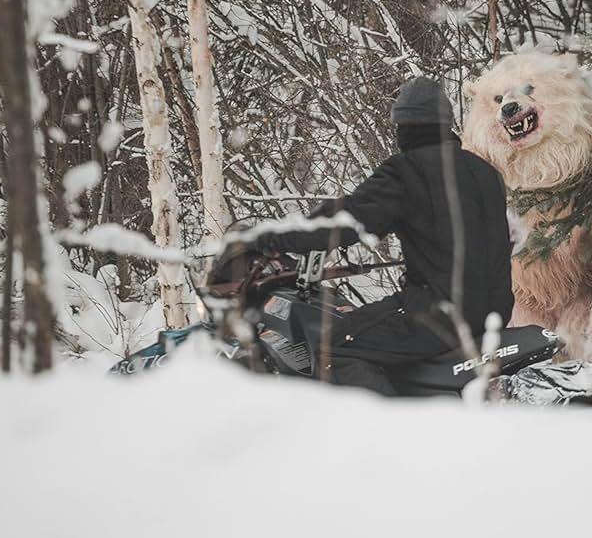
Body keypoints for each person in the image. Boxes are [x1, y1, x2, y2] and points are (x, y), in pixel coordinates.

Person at [215, 77, 514, 395]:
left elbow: (344, 223)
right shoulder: (484, 172)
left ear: (404, 125)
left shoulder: (408, 170)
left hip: (438, 313)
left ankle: (379, 433)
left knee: (333, 347)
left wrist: (271, 237)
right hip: (492, 310)